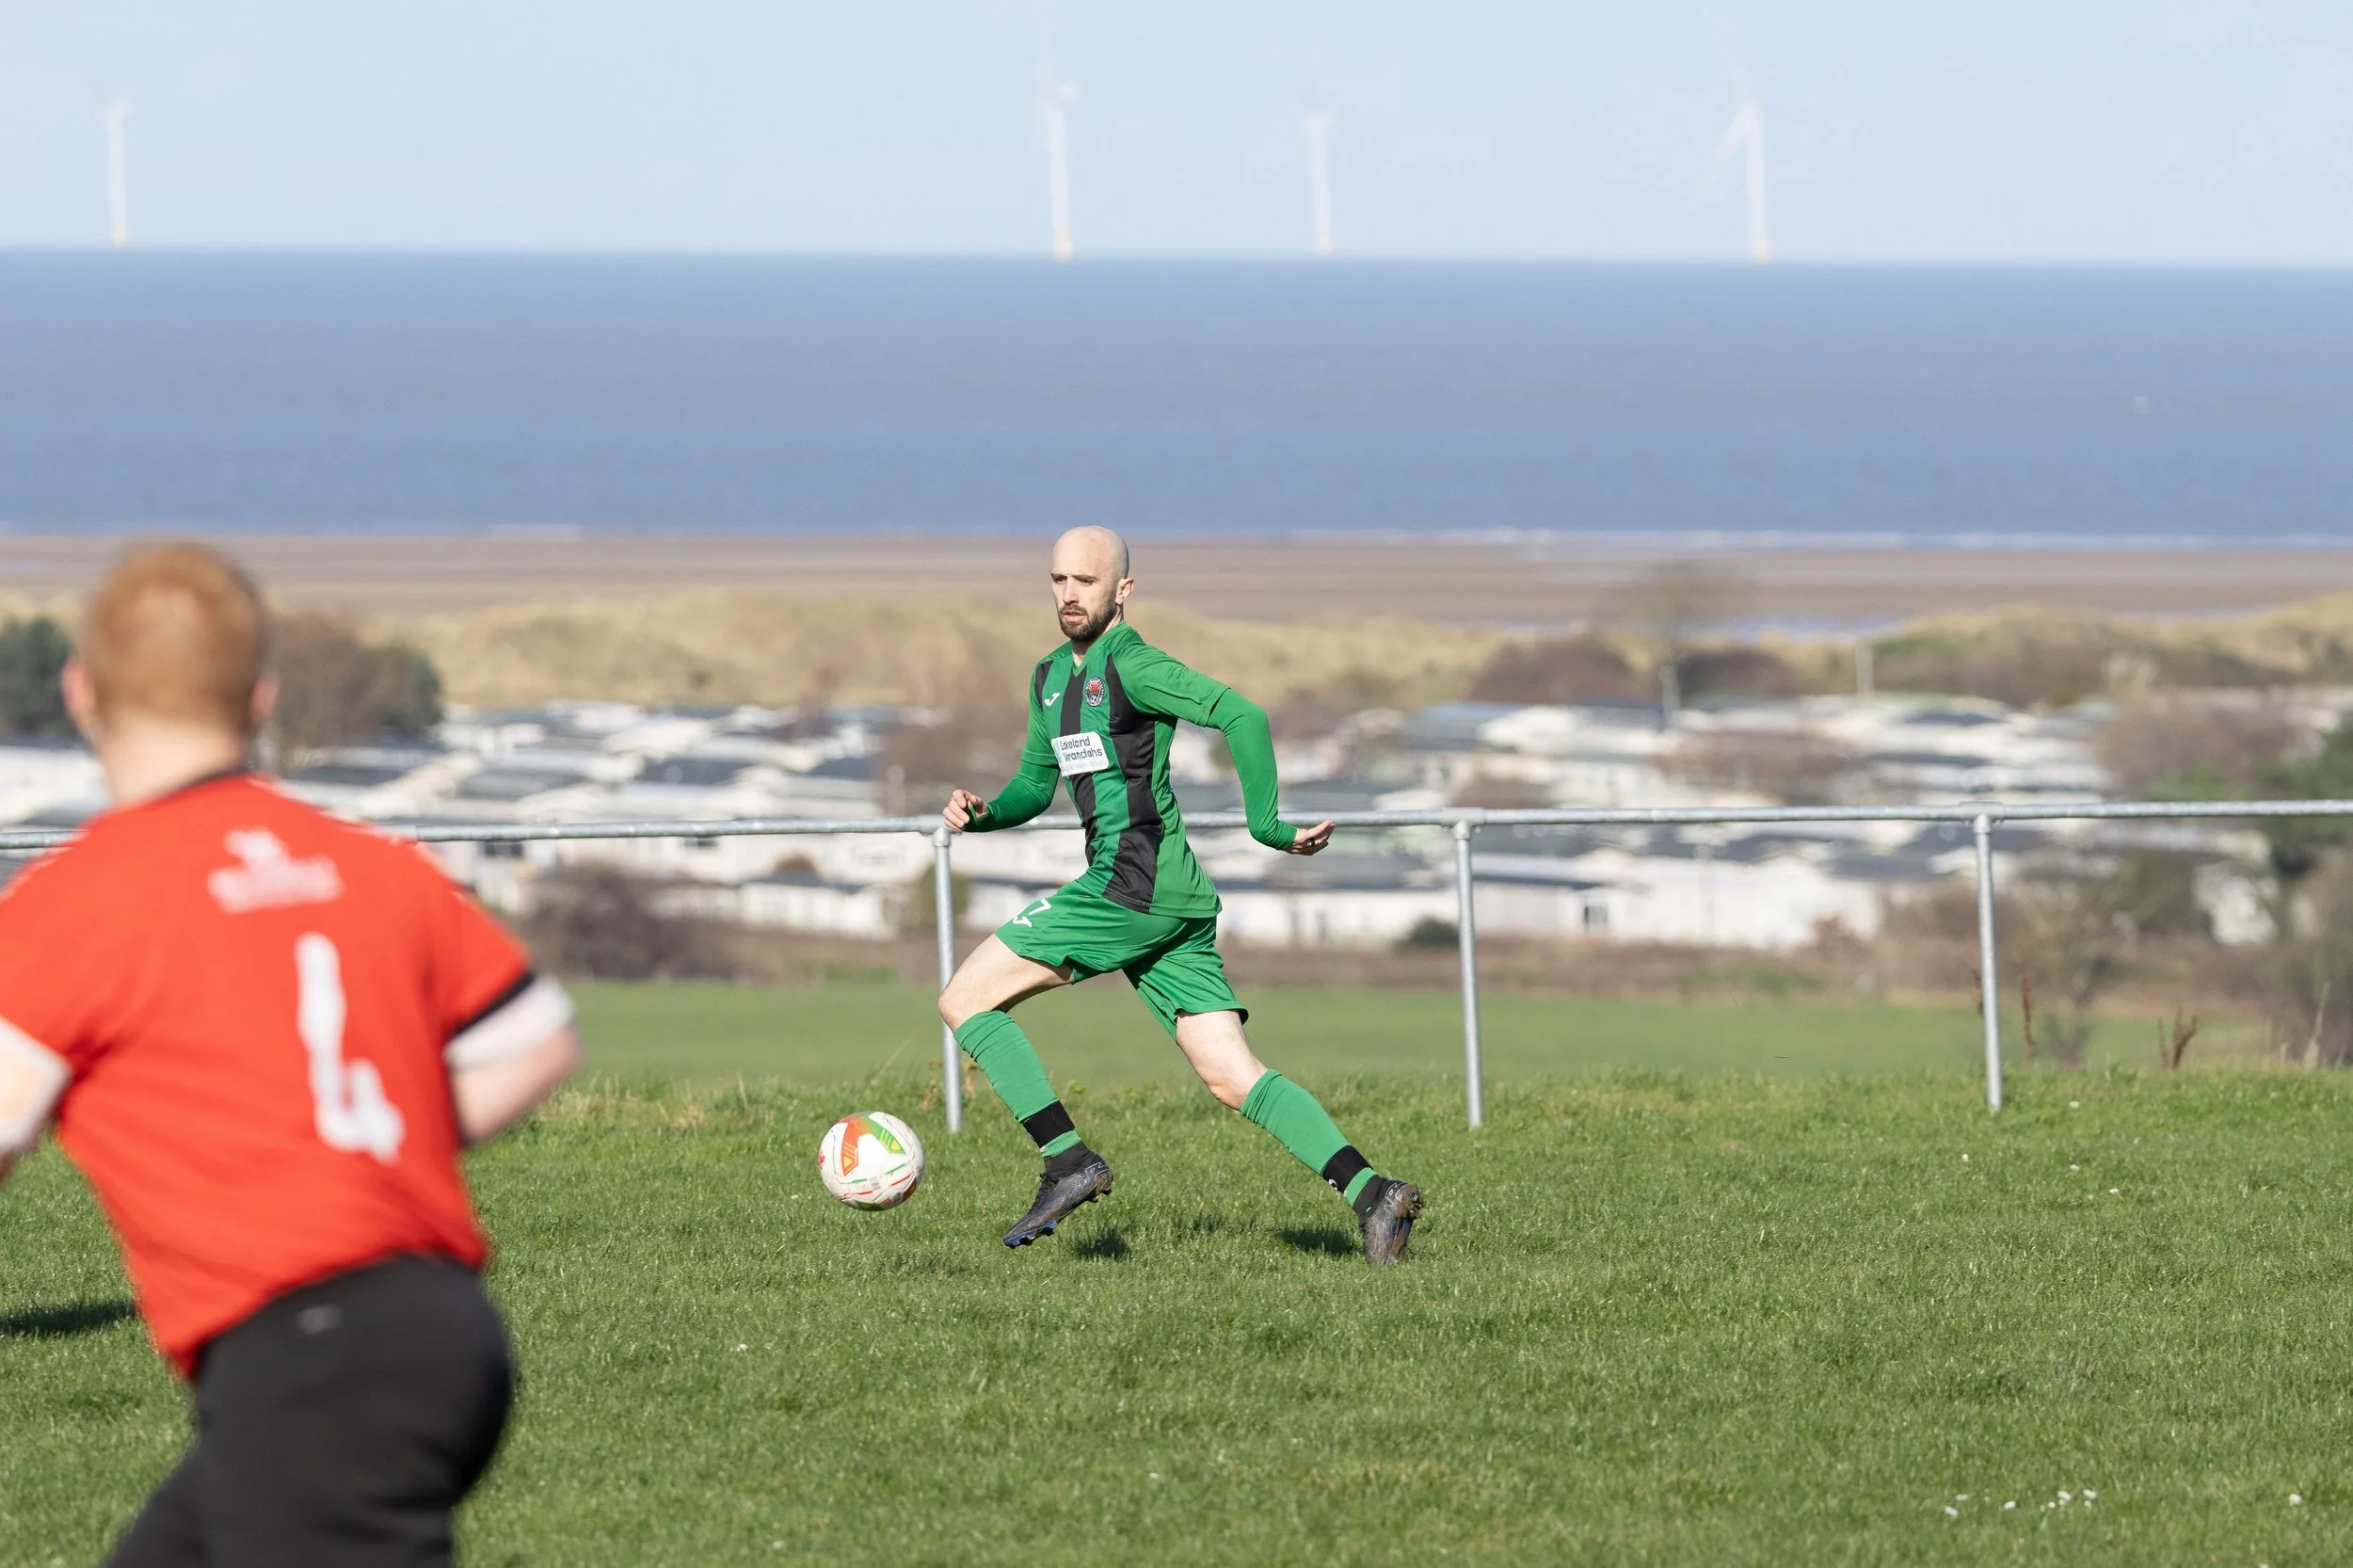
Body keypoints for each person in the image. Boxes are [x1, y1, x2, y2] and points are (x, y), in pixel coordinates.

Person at [0, 542, 581, 1567]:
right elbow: (538, 1043)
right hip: (439, 1326)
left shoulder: (74, 901)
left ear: (80, 693)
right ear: (260, 697)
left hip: (311, 1364)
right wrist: (375, 1134)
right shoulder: (365, 860)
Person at [940, 527, 1422, 1265]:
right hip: (1170, 899)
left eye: (1086, 582)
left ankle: (1068, 1161)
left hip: (1129, 886)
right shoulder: (1048, 678)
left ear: (1122, 591)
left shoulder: (1132, 665)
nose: (1069, 595)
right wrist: (985, 815)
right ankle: (1374, 1194)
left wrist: (1268, 826)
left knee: (964, 999)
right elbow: (1036, 786)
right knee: (1231, 1075)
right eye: (1058, 580)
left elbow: (1243, 715)